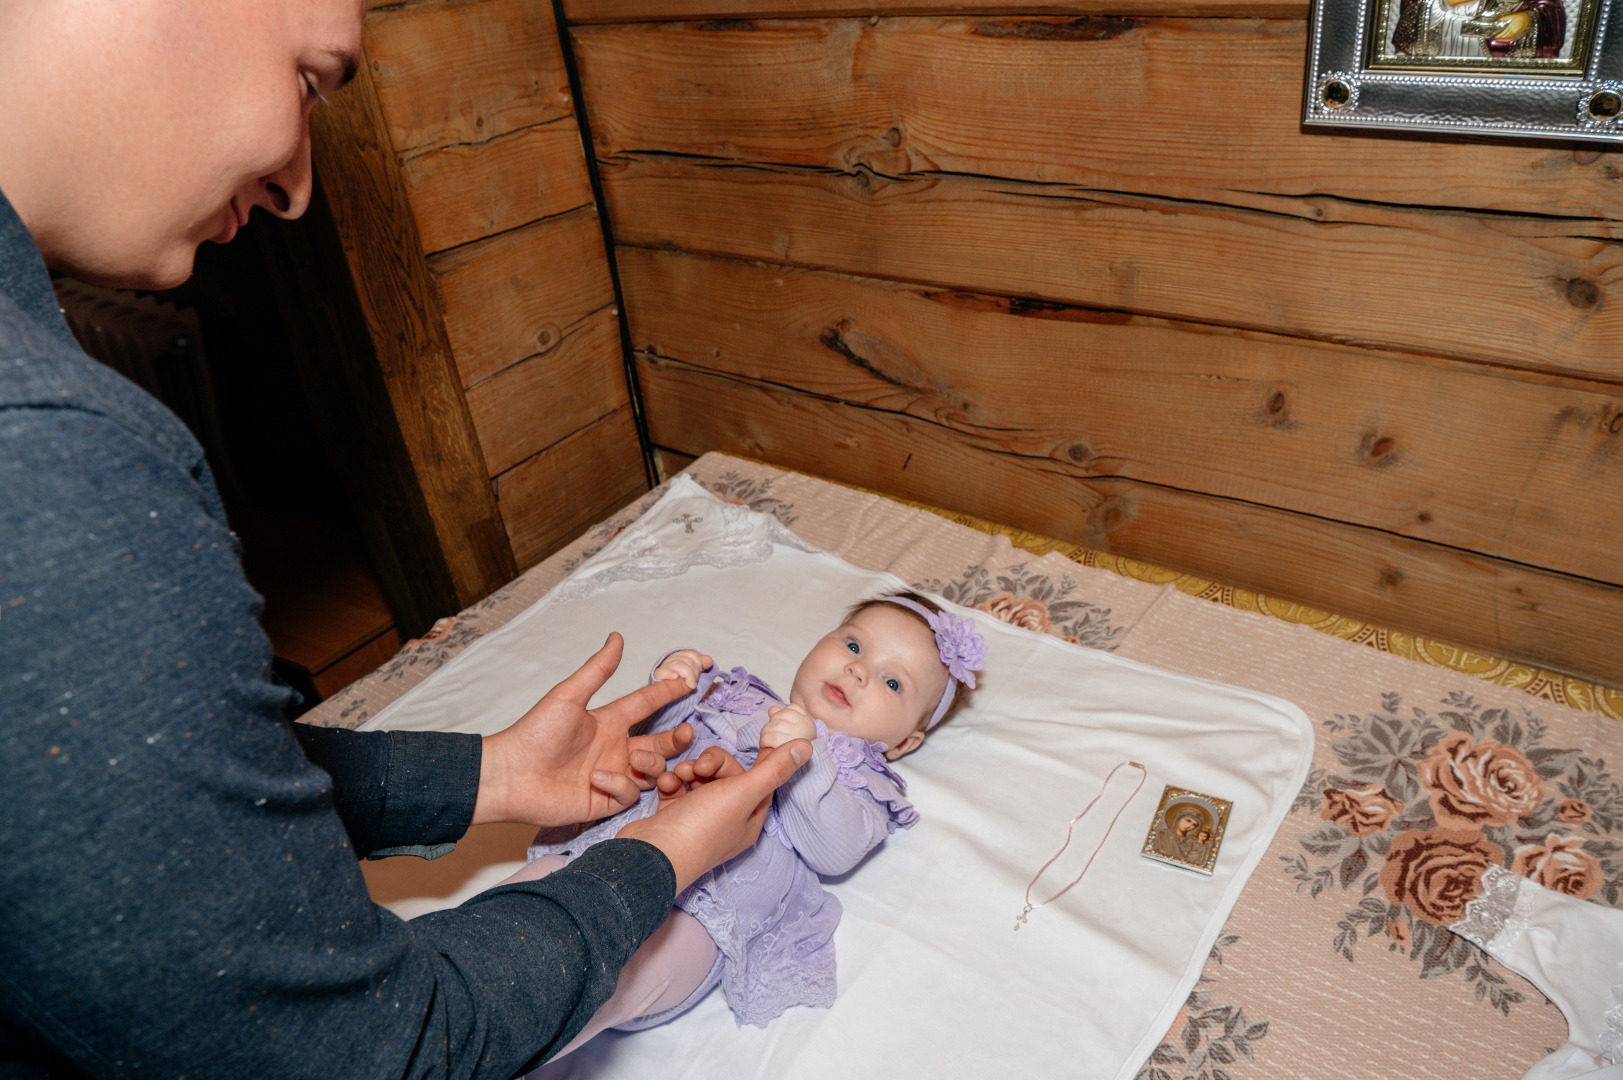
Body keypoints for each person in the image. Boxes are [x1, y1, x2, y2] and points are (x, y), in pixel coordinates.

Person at [0, 2, 808, 1077]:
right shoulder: (52, 462)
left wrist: (491, 777)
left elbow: (129, 814)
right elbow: (366, 1051)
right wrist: (650, 863)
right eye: (311, 78)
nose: (299, 186)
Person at [518, 593, 986, 1058]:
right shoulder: (741, 697)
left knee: (581, 995)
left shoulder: (860, 783)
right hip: (610, 852)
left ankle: (500, 1051)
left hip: (702, 914)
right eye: (854, 647)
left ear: (904, 744)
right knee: (518, 907)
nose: (858, 671)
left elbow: (836, 852)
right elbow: (652, 736)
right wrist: (675, 682)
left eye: (892, 683)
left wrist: (807, 758)